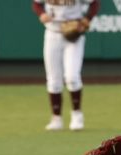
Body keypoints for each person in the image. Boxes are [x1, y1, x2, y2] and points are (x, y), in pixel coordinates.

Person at [32, 0, 99, 131]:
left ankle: (77, 115)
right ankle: (56, 118)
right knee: (53, 79)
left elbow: (94, 3)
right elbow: (36, 4)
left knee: (72, 77)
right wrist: (41, 14)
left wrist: (87, 18)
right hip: (52, 33)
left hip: (74, 35)